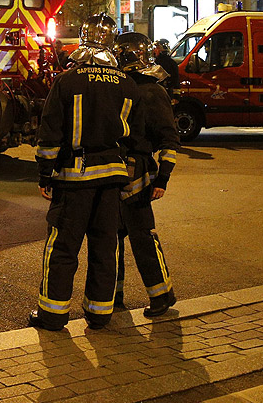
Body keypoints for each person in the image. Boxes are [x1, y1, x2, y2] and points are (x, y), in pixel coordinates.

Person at [29, 13, 143, 331]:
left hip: (74, 180)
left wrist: (44, 174)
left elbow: (49, 134)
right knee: (104, 247)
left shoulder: (68, 81)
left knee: (63, 246)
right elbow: (138, 140)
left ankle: (53, 314)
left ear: (82, 42)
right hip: (112, 182)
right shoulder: (127, 84)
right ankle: (99, 313)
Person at [114, 32, 179, 318]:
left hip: (136, 175)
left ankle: (162, 294)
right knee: (112, 238)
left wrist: (162, 179)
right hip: (115, 173)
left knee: (141, 237)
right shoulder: (119, 87)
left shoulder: (152, 92)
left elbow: (168, 139)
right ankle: (113, 296)